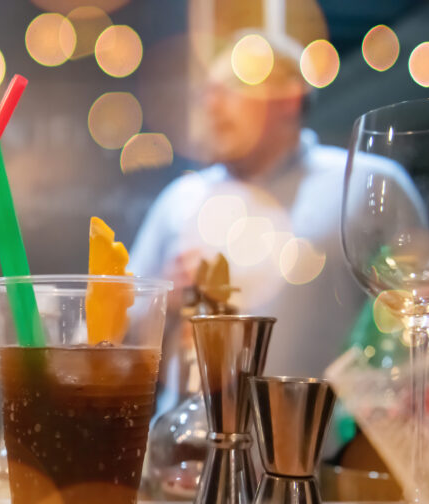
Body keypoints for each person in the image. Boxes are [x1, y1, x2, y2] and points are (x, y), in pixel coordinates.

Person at [131, 30, 368, 416]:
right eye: (207, 91)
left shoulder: (360, 185)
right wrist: (163, 299)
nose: (212, 104)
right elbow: (115, 339)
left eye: (233, 86)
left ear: (290, 96)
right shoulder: (179, 200)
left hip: (319, 462)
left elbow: (410, 338)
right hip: (183, 457)